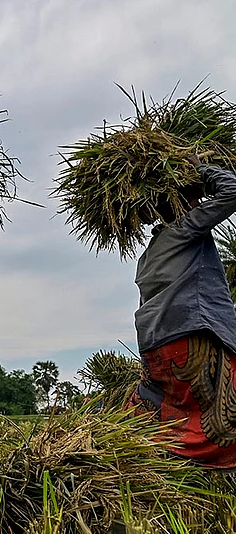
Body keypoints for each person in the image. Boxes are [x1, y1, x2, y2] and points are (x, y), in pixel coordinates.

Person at [128, 155, 236, 469]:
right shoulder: (184, 230)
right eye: (194, 197)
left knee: (178, 417)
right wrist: (197, 168)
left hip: (157, 347)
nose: (199, 201)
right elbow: (231, 190)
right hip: (192, 335)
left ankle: (171, 464)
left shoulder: (149, 254)